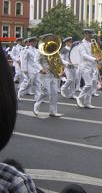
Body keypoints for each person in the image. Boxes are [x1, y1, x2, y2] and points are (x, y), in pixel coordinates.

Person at [0, 44, 37, 192]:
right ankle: (21, 93)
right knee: (26, 83)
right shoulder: (13, 182)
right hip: (25, 69)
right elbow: (19, 58)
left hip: (35, 70)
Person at [33, 34, 63, 117]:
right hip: (45, 74)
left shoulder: (54, 48)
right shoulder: (40, 50)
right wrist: (40, 69)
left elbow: (60, 59)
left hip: (53, 73)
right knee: (46, 92)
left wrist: (64, 66)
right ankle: (36, 104)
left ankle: (53, 111)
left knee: (54, 93)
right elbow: (36, 61)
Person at [76, 30, 99, 109]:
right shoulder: (81, 44)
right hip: (84, 66)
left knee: (91, 85)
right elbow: (83, 55)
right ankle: (79, 98)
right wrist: (94, 59)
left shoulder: (91, 44)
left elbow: (94, 53)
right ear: (84, 34)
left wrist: (98, 57)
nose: (90, 35)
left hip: (91, 66)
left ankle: (87, 102)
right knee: (88, 84)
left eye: (90, 34)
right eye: (88, 34)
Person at [17, 37, 41, 101]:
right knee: (28, 83)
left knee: (38, 83)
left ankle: (37, 98)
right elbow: (24, 60)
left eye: (35, 42)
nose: (35, 43)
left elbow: (38, 61)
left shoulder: (37, 50)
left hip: (36, 69)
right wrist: (24, 69)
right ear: (30, 42)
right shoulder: (26, 50)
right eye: (33, 42)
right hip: (29, 68)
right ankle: (20, 93)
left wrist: (41, 69)